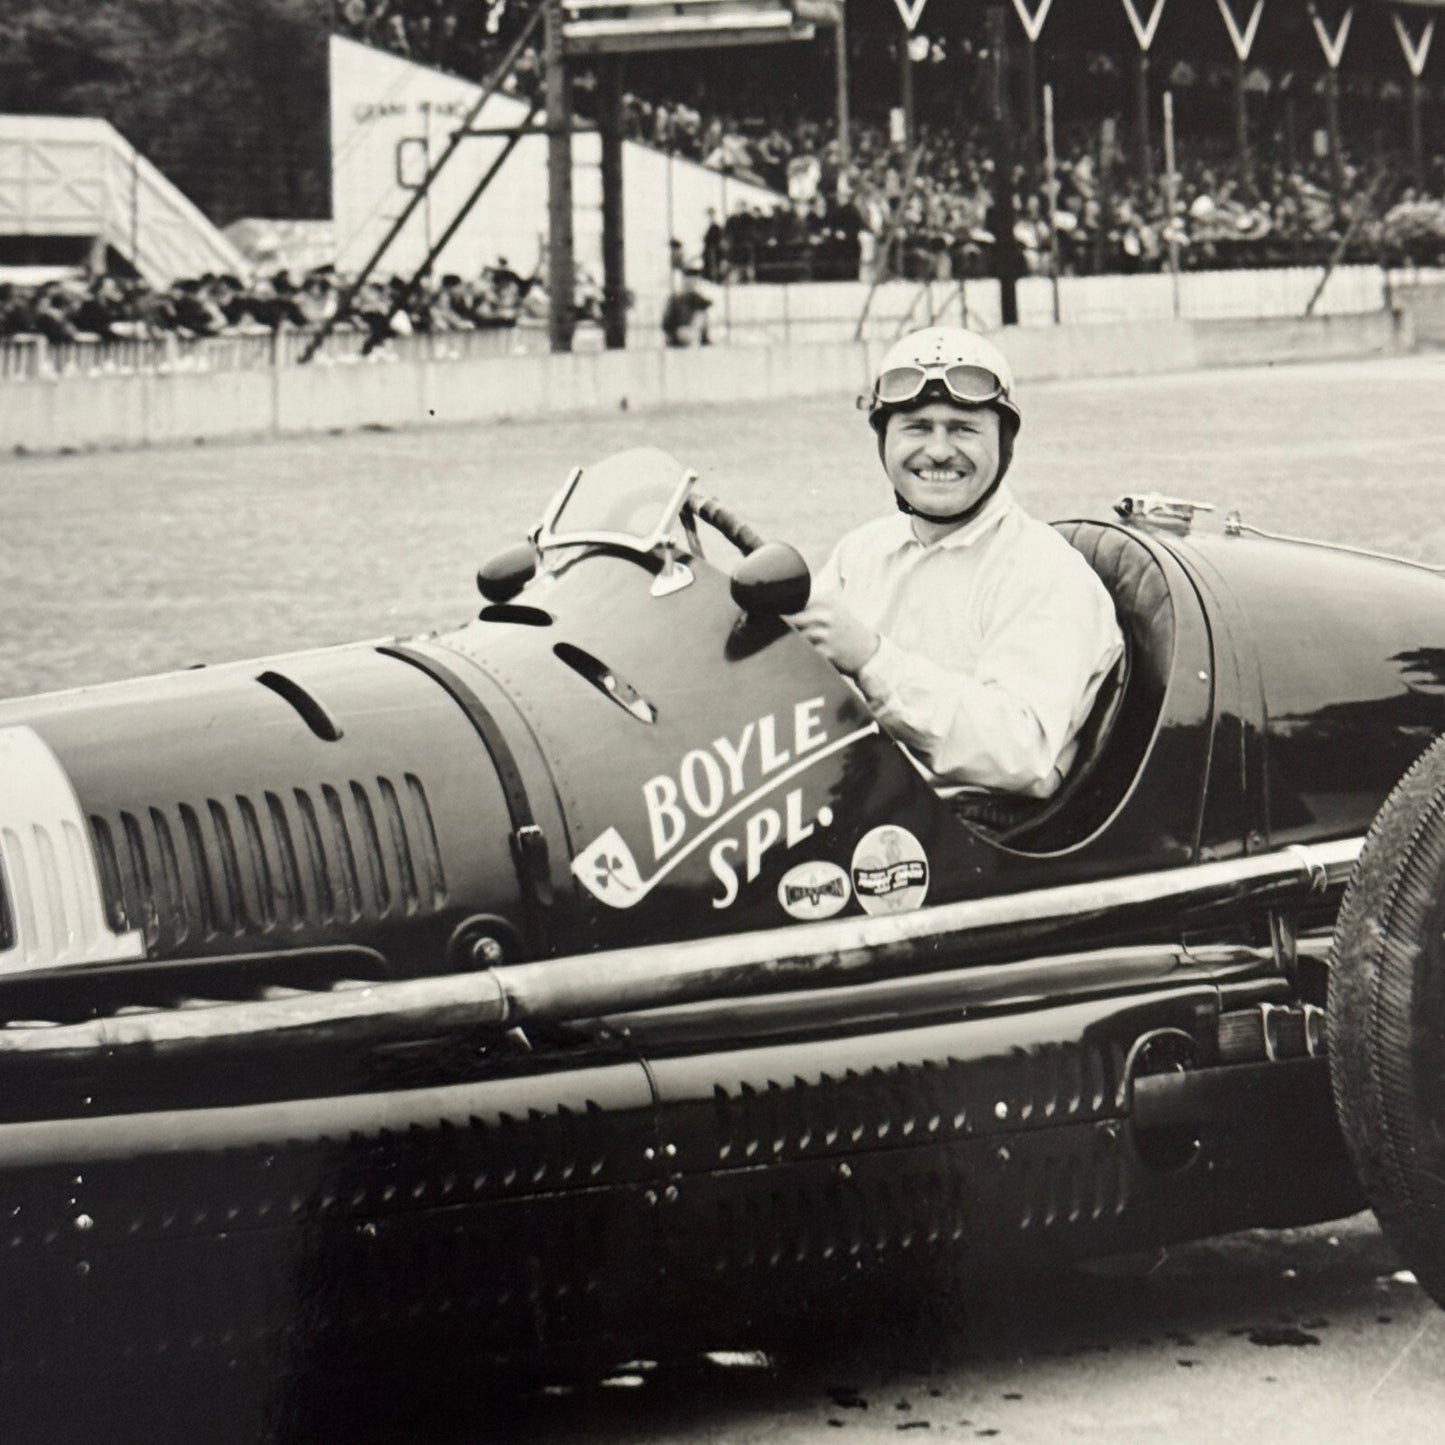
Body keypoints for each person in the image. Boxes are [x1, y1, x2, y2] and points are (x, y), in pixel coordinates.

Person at [792, 325, 1123, 808]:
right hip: (857, 806)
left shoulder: (1045, 571)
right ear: (884, 441)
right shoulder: (860, 553)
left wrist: (872, 659)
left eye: (964, 428)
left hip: (972, 830)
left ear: (1003, 442)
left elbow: (1020, 749)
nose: (939, 450)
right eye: (917, 427)